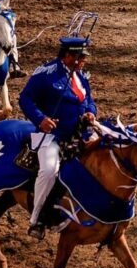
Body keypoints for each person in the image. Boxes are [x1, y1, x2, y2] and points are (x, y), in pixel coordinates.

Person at [19, 36, 97, 239]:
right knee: (49, 170)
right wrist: (41, 119)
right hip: (53, 136)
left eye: (83, 57)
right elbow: (25, 98)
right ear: (67, 55)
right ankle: (37, 219)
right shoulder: (46, 74)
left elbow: (88, 100)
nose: (83, 61)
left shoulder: (81, 76)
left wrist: (91, 113)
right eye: (80, 57)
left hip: (81, 133)